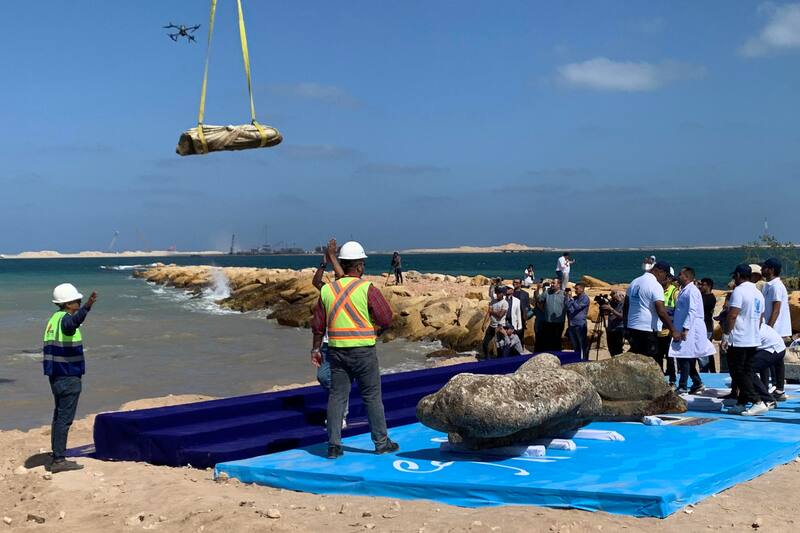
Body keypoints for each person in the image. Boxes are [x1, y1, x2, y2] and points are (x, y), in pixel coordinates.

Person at [310, 240, 398, 459]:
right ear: (359, 266)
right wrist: (378, 330)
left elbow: (318, 326)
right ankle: (381, 442)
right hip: (364, 352)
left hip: (337, 352)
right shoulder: (366, 288)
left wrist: (315, 350)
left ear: (342, 262)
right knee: (372, 397)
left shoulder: (328, 291)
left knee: (337, 397)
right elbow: (386, 317)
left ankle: (333, 445)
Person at [43, 283, 97, 473]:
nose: (79, 301)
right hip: (68, 376)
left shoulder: (53, 319)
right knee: (64, 418)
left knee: (59, 416)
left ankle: (56, 453)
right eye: (77, 300)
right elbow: (71, 325)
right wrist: (88, 307)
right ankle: (59, 460)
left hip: (56, 375)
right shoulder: (66, 320)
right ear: (68, 303)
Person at [312, 240, 349, 428]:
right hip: (327, 342)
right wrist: (323, 261)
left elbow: (342, 277)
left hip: (342, 341)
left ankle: (340, 414)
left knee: (337, 380)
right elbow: (316, 282)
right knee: (324, 377)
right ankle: (340, 405)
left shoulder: (346, 288)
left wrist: (333, 256)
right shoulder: (328, 290)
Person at [724, 264, 766, 416]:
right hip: (753, 338)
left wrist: (726, 335)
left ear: (739, 275)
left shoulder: (739, 291)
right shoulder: (758, 293)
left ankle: (757, 401)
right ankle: (742, 403)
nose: (733, 279)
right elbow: (761, 318)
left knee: (738, 372)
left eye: (734, 276)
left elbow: (733, 314)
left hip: (739, 338)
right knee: (747, 371)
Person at [668, 267, 713, 394]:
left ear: (686, 277)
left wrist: (686, 328)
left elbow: (692, 310)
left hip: (690, 328)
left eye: (680, 274)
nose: (678, 276)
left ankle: (683, 385)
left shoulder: (692, 291)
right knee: (684, 357)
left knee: (684, 356)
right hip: (682, 326)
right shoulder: (684, 290)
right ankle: (697, 382)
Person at [625, 261, 675, 361]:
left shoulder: (634, 282)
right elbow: (661, 311)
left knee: (637, 359)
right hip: (647, 329)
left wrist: (625, 326)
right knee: (651, 360)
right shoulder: (655, 285)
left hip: (632, 327)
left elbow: (626, 306)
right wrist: (673, 330)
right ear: (659, 272)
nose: (665, 278)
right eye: (666, 275)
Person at [761, 258, 791, 402]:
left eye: (764, 267)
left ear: (771, 269)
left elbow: (776, 309)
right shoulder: (768, 285)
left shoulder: (776, 286)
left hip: (776, 328)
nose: (762, 269)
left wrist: (769, 327)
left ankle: (779, 387)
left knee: (776, 359)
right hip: (770, 327)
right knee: (773, 359)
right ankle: (772, 386)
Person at [750, 323, 786, 407]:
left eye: (722, 322)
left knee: (748, 369)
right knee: (752, 366)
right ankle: (765, 393)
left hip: (774, 347)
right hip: (772, 345)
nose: (720, 324)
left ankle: (767, 398)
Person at [535, 279, 566, 352]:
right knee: (548, 341)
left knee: (557, 341)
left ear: (559, 285)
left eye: (553, 283)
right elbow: (539, 299)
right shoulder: (547, 292)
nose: (551, 284)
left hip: (559, 322)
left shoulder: (564, 294)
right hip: (548, 322)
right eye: (551, 283)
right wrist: (538, 289)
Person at [481, 286, 509, 359]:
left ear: (503, 294)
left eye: (499, 293)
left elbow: (500, 315)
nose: (497, 294)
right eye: (496, 293)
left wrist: (491, 311)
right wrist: (484, 323)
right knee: (485, 343)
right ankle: (486, 357)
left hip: (500, 326)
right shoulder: (493, 301)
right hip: (491, 326)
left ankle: (500, 359)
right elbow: (488, 313)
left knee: (499, 344)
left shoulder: (505, 303)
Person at [565, 282, 590, 360]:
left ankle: (584, 360)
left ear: (582, 289)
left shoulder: (585, 298)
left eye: (577, 289)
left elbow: (577, 307)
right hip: (572, 324)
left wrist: (572, 300)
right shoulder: (575, 298)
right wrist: (567, 298)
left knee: (582, 345)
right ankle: (577, 359)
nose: (575, 290)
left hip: (580, 325)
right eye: (575, 289)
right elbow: (568, 307)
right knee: (575, 345)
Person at [698, 278, 718, 373]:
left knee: (703, 351)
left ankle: (705, 370)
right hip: (705, 326)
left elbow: (700, 304)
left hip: (707, 327)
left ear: (709, 286)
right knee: (708, 351)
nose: (701, 286)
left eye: (703, 285)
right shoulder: (702, 296)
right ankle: (712, 370)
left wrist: (696, 289)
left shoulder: (710, 298)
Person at [602, 290, 626, 356]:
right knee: (611, 348)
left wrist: (611, 309)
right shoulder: (612, 302)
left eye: (615, 298)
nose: (614, 300)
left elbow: (622, 316)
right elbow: (607, 313)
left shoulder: (624, 303)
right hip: (610, 328)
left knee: (617, 349)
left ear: (621, 295)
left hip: (619, 329)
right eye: (612, 297)